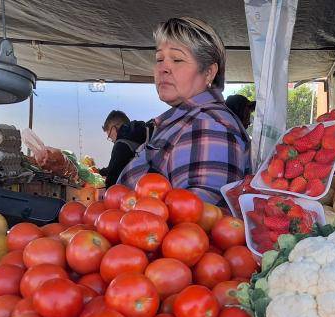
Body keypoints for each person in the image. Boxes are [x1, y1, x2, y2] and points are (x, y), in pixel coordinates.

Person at [118, 17, 251, 204]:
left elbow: (197, 222)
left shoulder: (208, 126)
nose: (163, 68)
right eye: (159, 59)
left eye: (177, 59)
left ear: (209, 72)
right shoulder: (190, 120)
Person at [99, 111, 154, 187]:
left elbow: (112, 177)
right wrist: (100, 172)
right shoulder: (140, 133)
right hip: (152, 183)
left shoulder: (121, 143)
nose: (112, 141)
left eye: (110, 136)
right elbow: (118, 163)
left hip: (132, 191)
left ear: (114, 129)